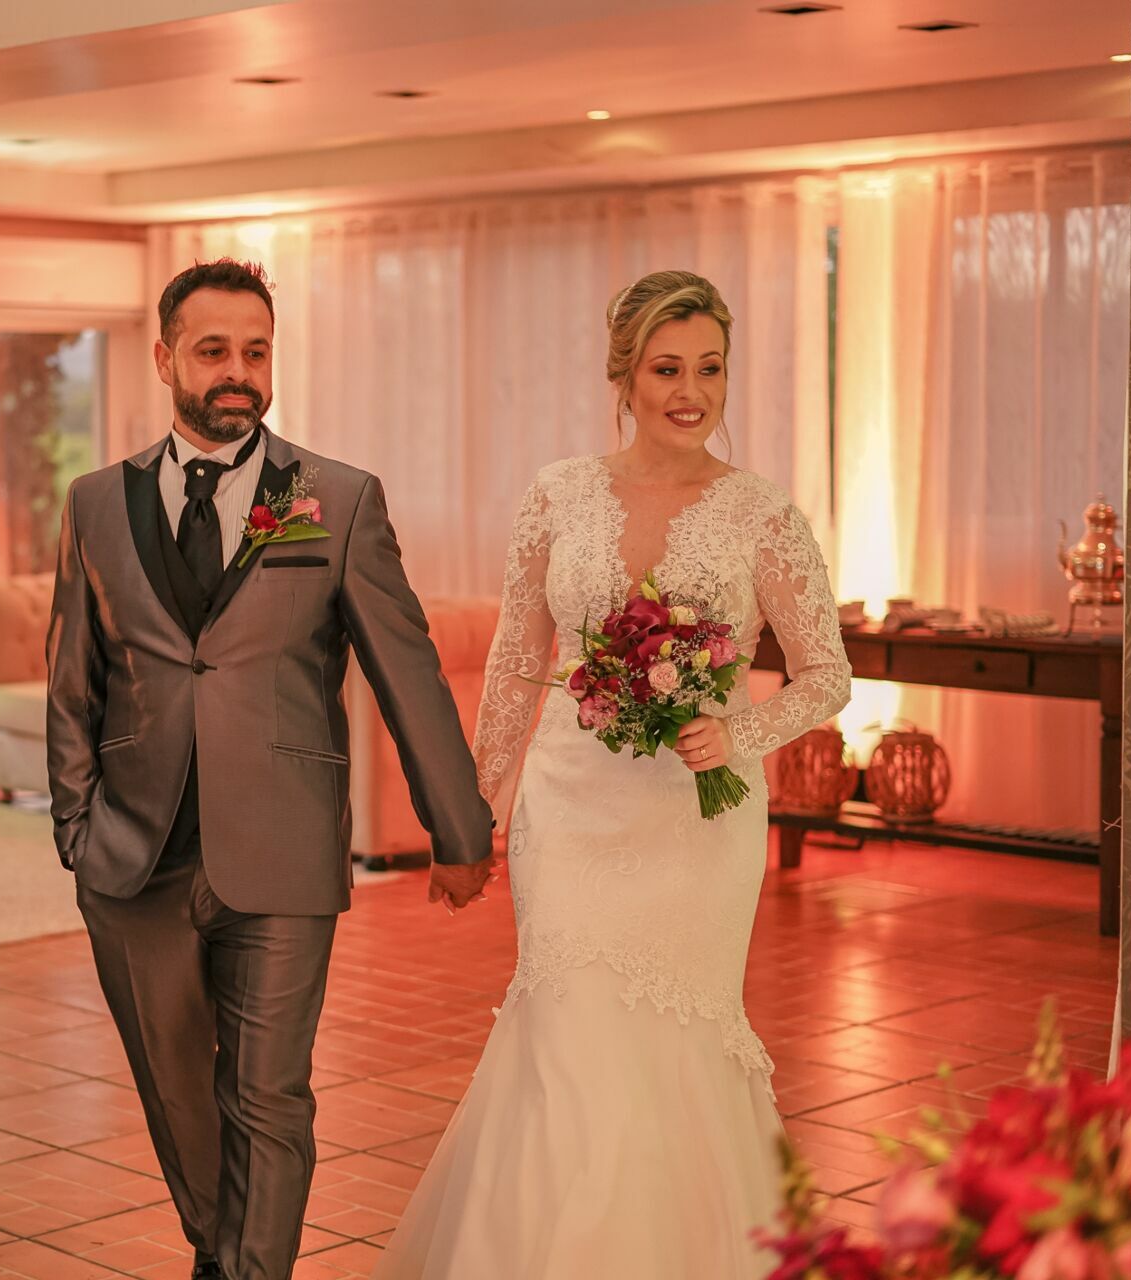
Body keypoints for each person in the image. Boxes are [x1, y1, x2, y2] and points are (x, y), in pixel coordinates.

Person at [372, 270, 853, 1278]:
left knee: (678, 1040)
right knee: (566, 1029)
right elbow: (513, 664)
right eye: (666, 367)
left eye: (710, 368)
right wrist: (475, 820)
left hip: (696, 821)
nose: (691, 389)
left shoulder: (763, 514)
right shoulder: (558, 493)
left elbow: (827, 674)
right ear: (624, 376)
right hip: (570, 810)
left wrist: (743, 733)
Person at [45, 259, 495, 1280]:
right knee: (176, 1091)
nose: (238, 372)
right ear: (165, 358)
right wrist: (76, 829)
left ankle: (247, 1269)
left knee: (270, 1095)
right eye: (214, 350)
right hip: (130, 851)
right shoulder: (94, 504)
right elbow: (72, 680)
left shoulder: (336, 499)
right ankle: (227, 1251)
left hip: (283, 849)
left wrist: (457, 826)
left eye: (257, 350)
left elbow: (408, 670)